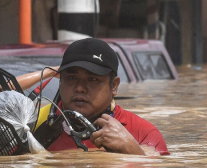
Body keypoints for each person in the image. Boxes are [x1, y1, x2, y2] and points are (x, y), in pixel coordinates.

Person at [33, 38, 169, 156]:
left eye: (92, 79)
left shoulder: (143, 133)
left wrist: (131, 149)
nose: (80, 88)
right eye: (71, 78)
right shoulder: (33, 123)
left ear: (114, 86)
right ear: (60, 81)